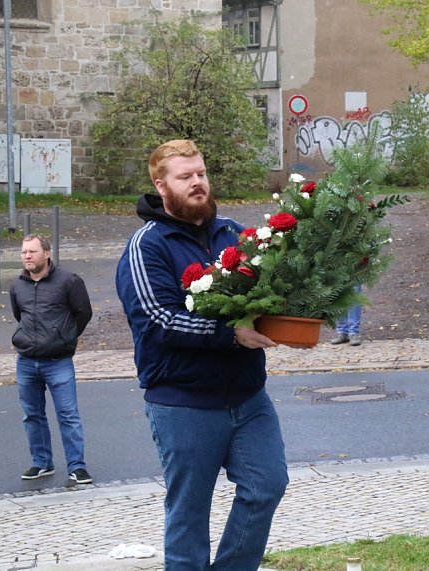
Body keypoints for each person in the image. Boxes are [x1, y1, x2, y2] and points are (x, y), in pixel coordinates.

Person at [115, 139, 288, 570]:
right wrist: (232, 334)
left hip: (248, 397)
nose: (198, 183)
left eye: (202, 173)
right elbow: (158, 319)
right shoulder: (147, 246)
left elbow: (268, 290)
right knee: (190, 515)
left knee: (266, 486)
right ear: (161, 184)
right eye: (185, 176)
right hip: (182, 401)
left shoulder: (232, 233)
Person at [10, 234, 93, 485]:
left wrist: (65, 338)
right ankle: (41, 462)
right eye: (24, 252)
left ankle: (77, 467)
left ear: (46, 253)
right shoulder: (17, 286)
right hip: (26, 361)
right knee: (32, 414)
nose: (27, 256)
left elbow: (84, 313)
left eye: (32, 252)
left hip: (58, 361)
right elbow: (19, 315)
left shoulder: (68, 281)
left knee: (68, 414)